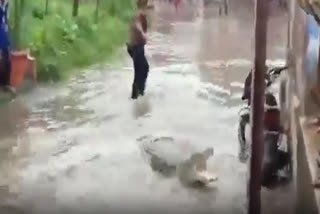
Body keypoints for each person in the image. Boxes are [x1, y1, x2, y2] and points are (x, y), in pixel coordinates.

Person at [127, 0, 149, 99]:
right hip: (136, 47)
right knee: (141, 70)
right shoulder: (139, 14)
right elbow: (137, 25)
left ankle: (139, 93)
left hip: (135, 46)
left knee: (143, 68)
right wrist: (143, 33)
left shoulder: (140, 14)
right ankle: (137, 95)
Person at [0, 0, 10, 87]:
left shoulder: (6, 2)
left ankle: (5, 83)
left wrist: (6, 25)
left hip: (3, 30)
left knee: (6, 54)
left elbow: (5, 16)